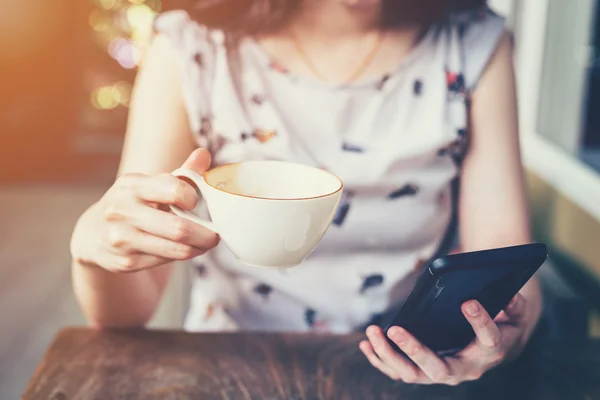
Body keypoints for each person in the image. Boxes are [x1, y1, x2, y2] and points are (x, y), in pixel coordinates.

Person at [70, 0, 542, 385]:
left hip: (410, 371)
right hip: (228, 368)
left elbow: (507, 264)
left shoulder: (473, 42)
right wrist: (92, 253)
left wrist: (502, 335)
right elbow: (124, 313)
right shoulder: (192, 45)